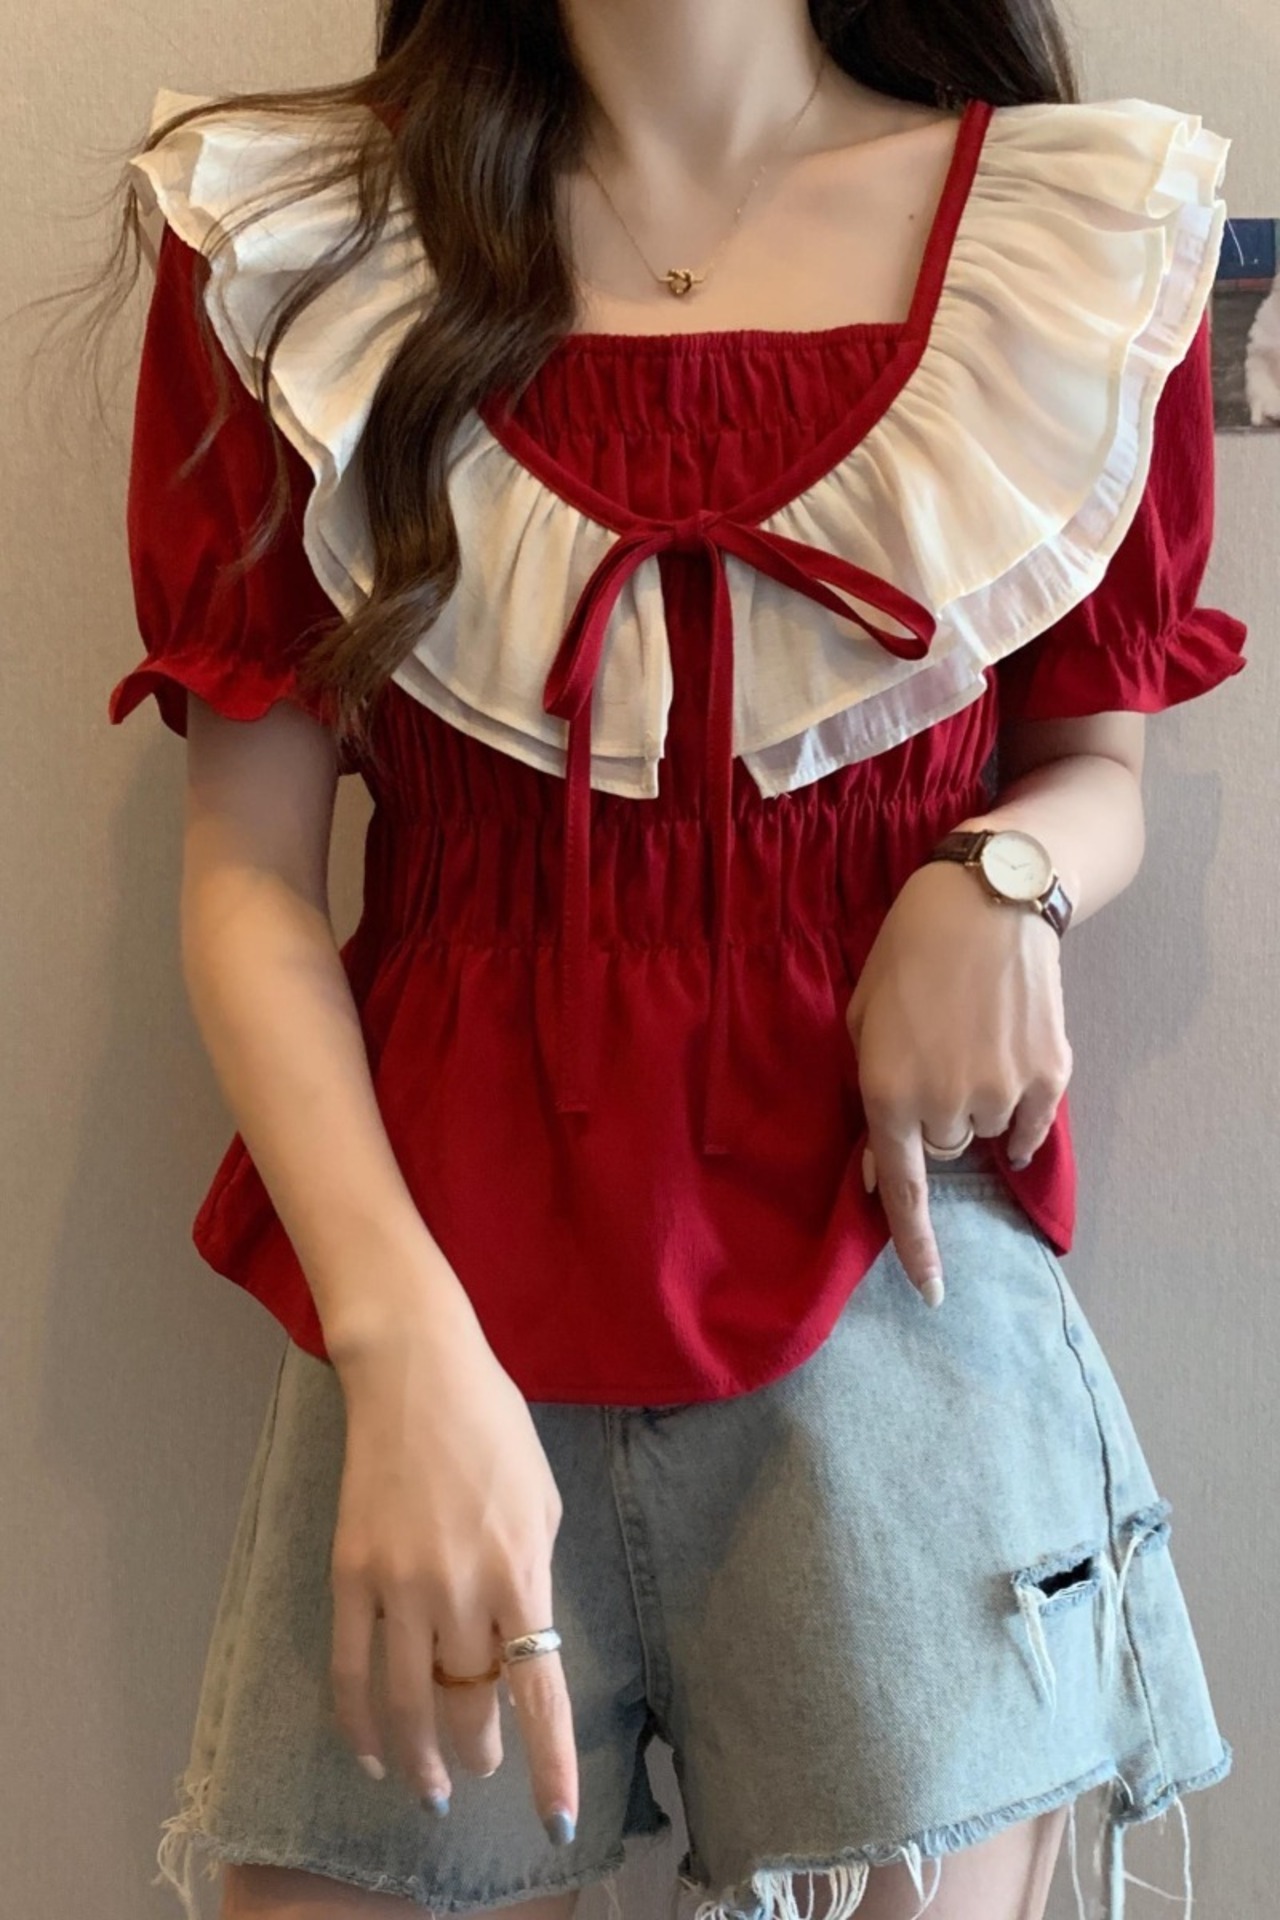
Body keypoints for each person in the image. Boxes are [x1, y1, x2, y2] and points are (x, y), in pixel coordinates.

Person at [100, 2, 1247, 1917]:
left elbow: (1092, 766)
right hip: (430, 1291)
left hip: (899, 1281)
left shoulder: (1062, 240)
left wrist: (1007, 877)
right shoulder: (301, 249)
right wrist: (396, 1342)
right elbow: (249, 876)